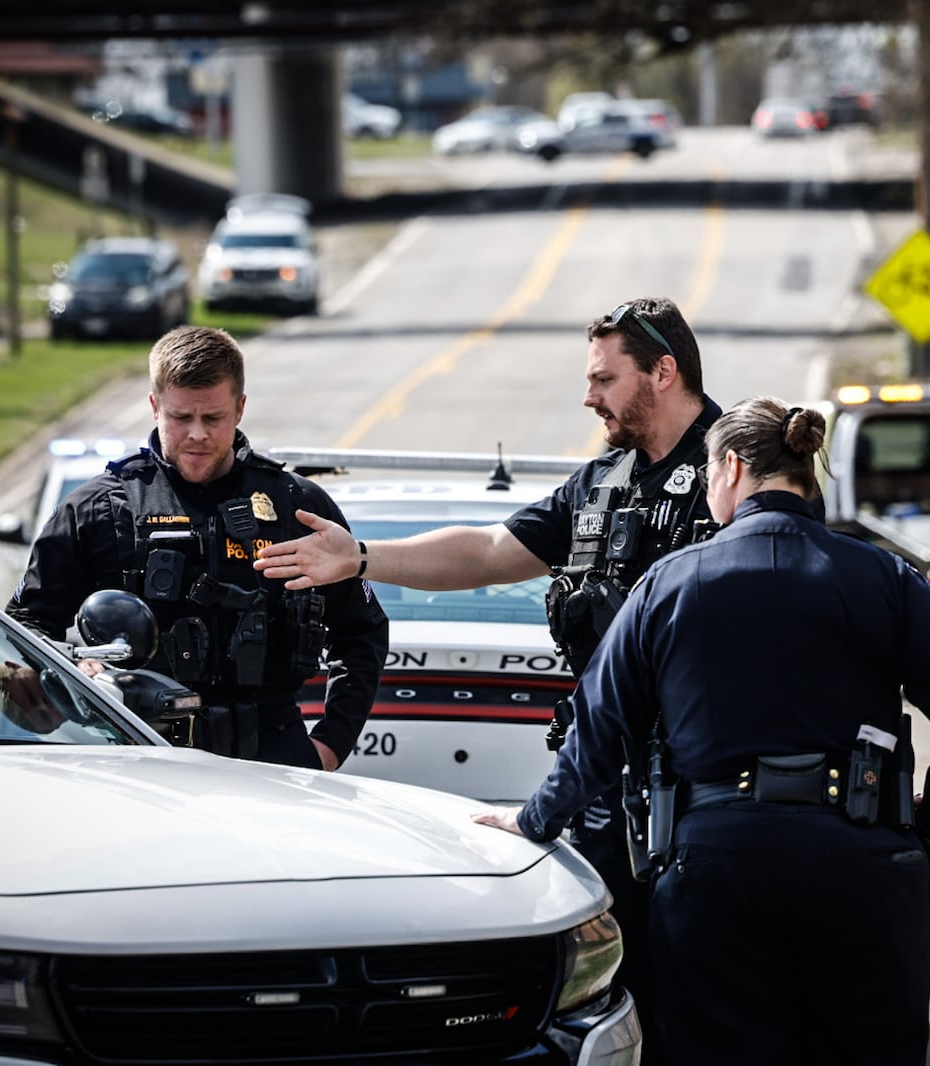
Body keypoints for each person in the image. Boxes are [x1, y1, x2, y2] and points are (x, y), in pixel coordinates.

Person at [473, 396, 930, 1066]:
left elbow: (599, 729)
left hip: (717, 876)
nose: (705, 487)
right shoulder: (882, 577)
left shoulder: (669, 583)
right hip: (866, 869)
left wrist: (534, 821)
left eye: (706, 472)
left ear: (731, 467)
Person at [254, 297, 718, 1061]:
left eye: (604, 378)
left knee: (703, 1009)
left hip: (706, 793)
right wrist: (361, 557)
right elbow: (490, 552)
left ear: (663, 372)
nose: (588, 396)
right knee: (603, 999)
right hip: (606, 789)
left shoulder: (737, 471)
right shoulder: (602, 481)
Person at [7, 325, 389, 771]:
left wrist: (330, 743)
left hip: (273, 753)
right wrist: (78, 671)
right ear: (154, 407)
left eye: (213, 418)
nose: (197, 435)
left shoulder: (297, 506)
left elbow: (362, 631)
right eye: (180, 418)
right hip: (139, 752)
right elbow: (24, 625)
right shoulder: (96, 509)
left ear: (240, 408)